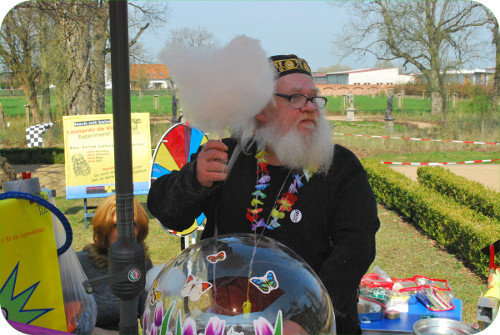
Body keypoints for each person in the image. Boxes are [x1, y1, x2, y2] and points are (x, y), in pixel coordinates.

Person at [147, 54, 380, 334]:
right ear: (261, 109)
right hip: (231, 323)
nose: (310, 108)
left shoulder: (339, 166)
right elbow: (168, 213)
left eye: (314, 98)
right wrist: (194, 179)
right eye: (295, 98)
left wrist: (308, 317)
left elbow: (356, 249)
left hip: (315, 326)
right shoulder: (228, 156)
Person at [77, 194, 153, 334]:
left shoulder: (143, 263)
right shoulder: (82, 263)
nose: (126, 233)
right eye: (117, 225)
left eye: (132, 224)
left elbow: (147, 315)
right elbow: (75, 325)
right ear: (104, 229)